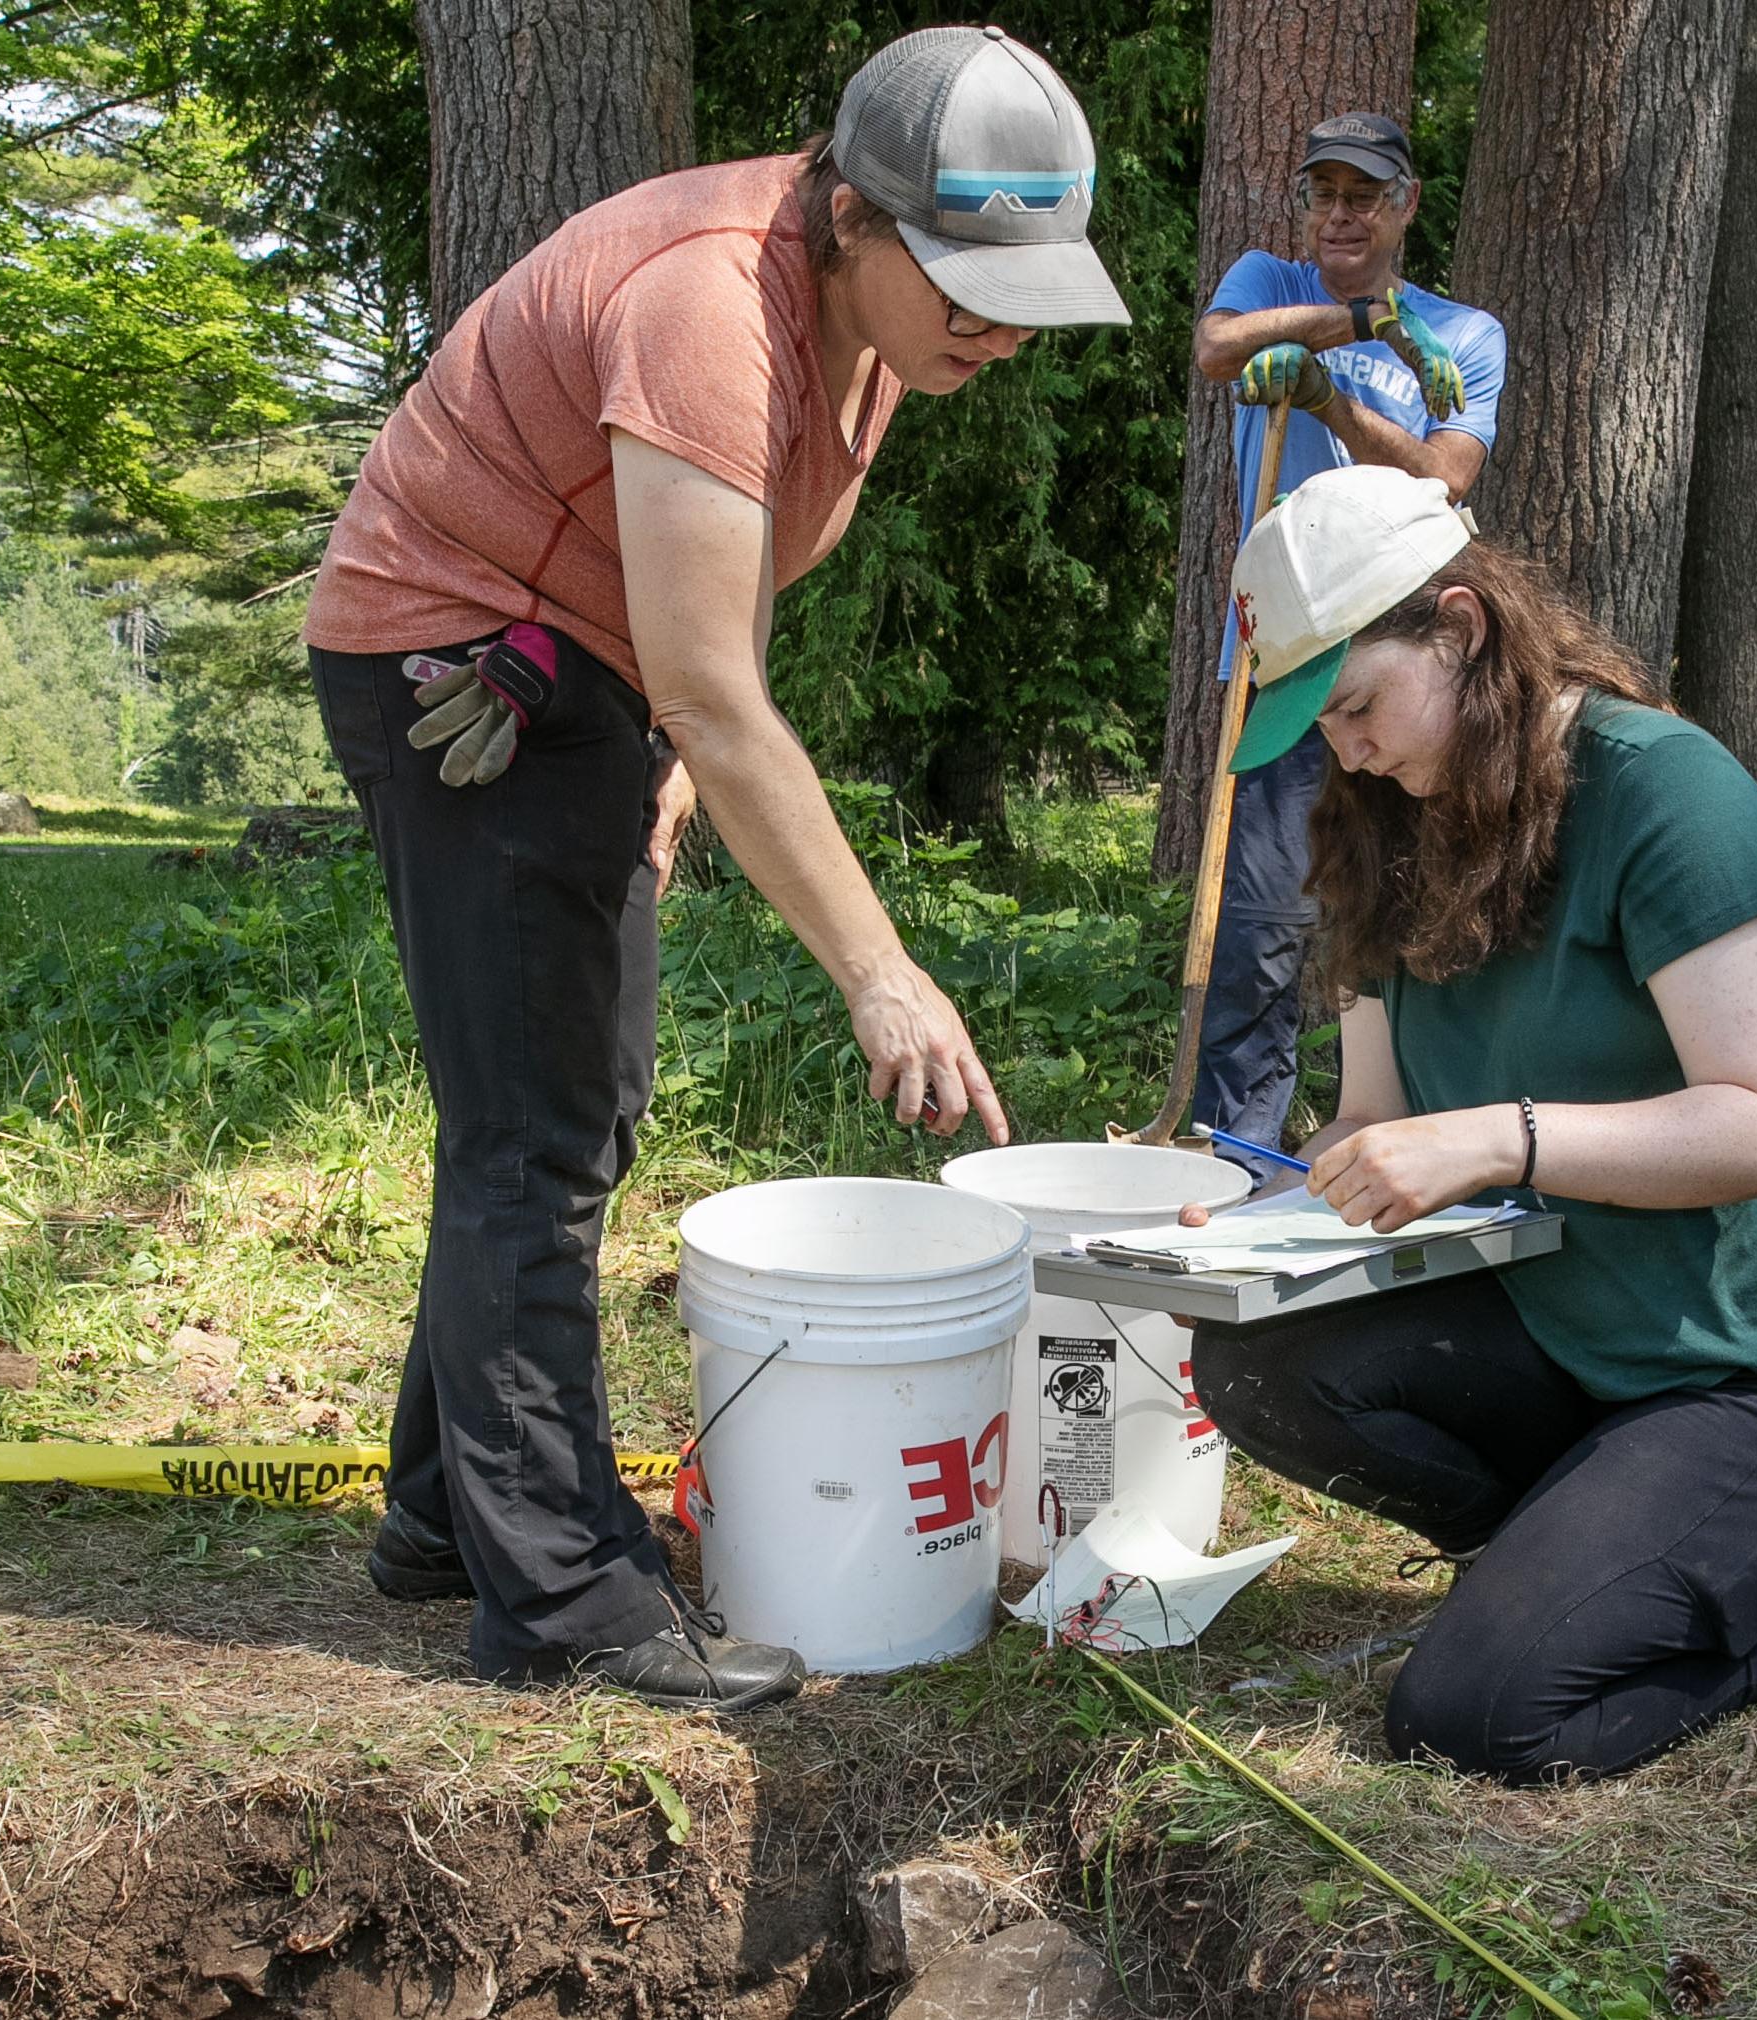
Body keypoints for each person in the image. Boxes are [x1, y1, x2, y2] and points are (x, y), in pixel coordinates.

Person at [298, 27, 1132, 1710]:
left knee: (566, 1114)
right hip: (464, 667)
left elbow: (725, 589)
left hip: (594, 679)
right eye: (966, 279)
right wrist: (879, 970)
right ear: (849, 217)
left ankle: (444, 1514)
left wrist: (672, 756)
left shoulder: (879, 343)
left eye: (1027, 287)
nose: (999, 324)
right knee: (532, 1135)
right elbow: (714, 676)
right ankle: (564, 1604)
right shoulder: (703, 302)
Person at [1182, 466, 1757, 1783]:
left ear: (1463, 629)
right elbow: (1374, 1114)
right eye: (1317, 727)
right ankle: (1583, 1561)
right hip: (1556, 1330)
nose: (1344, 751)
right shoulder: (1375, 824)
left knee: (1474, 1721)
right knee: (1252, 1360)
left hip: (1745, 1367)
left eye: (1355, 706)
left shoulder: (1664, 795)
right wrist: (1256, 1214)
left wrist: (1494, 1140)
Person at [1186, 112, 1506, 1182]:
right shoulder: (1267, 277)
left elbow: (1444, 477)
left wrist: (1329, 388)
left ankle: (1418, 1145)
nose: (1341, 212)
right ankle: (1242, 1165)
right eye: (1325, 191)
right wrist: (1353, 320)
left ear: (1407, 204)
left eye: (1365, 195)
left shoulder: (1463, 337)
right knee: (1263, 930)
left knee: (1419, 910)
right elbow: (1215, 347)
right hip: (1284, 674)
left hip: (1415, 679)